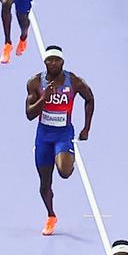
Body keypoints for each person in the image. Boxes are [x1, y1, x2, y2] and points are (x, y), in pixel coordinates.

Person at [25, 47, 95, 236]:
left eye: (57, 60)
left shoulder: (74, 81)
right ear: (45, 62)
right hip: (43, 137)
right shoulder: (35, 83)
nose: (53, 63)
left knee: (64, 172)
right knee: (45, 183)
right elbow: (29, 114)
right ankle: (51, 215)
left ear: (62, 62)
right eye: (50, 60)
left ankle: (66, 157)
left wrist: (86, 128)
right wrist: (43, 100)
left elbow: (90, 99)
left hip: (63, 134)